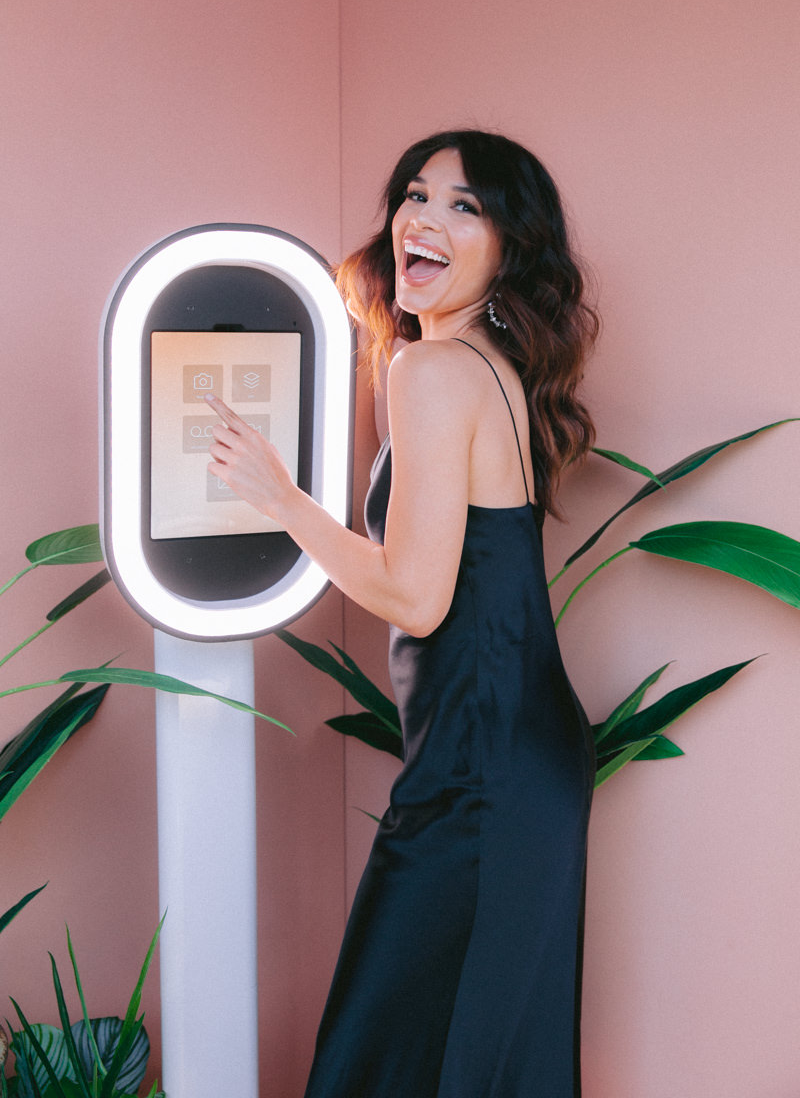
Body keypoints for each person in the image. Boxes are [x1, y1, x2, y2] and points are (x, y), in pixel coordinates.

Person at [205, 128, 599, 1097]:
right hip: (514, 757)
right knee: (477, 1057)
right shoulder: (486, 364)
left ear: (511, 245)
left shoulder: (428, 373)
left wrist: (282, 500)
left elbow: (418, 599)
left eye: (465, 206)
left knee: (388, 1057)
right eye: (415, 196)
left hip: (477, 773)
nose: (423, 218)